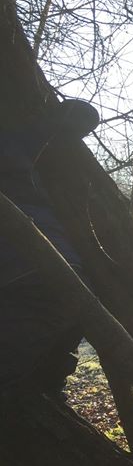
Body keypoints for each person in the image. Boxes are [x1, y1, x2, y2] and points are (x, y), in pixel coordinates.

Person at [0, 99, 100, 396]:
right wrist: (65, 117)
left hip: (25, 277)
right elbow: (78, 117)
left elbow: (78, 118)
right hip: (67, 273)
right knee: (45, 370)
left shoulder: (12, 146)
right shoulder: (16, 146)